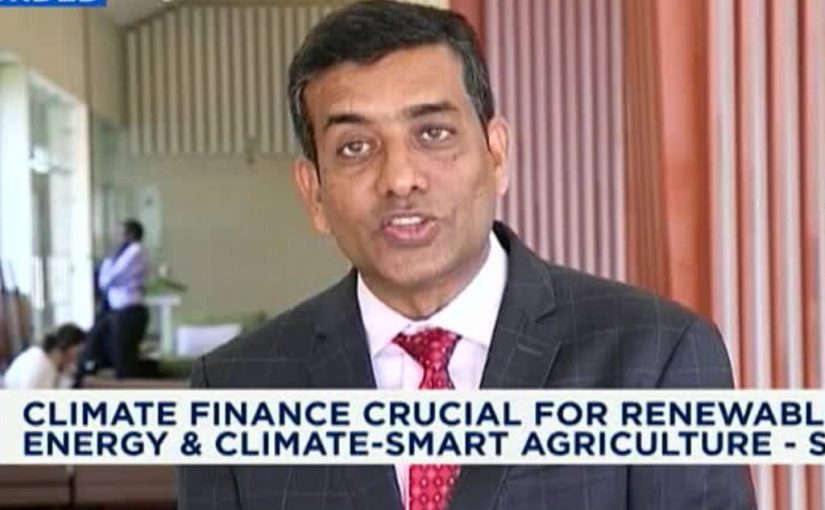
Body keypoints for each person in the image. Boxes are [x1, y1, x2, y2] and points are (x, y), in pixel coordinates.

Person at [179, 2, 756, 509]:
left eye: (433, 133)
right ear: (314, 193)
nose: (400, 178)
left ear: (496, 155)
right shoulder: (234, 390)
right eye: (355, 147)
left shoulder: (654, 357)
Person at [78, 219, 149, 380]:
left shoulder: (135, 251)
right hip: (117, 311)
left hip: (128, 311)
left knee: (123, 358)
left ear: (130, 234)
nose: (116, 237)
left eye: (120, 233)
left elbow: (109, 279)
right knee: (95, 342)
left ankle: (127, 388)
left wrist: (108, 262)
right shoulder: (122, 253)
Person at [3, 324, 85, 389]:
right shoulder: (41, 365)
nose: (75, 358)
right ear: (65, 346)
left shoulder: (43, 357)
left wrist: (65, 375)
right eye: (77, 353)